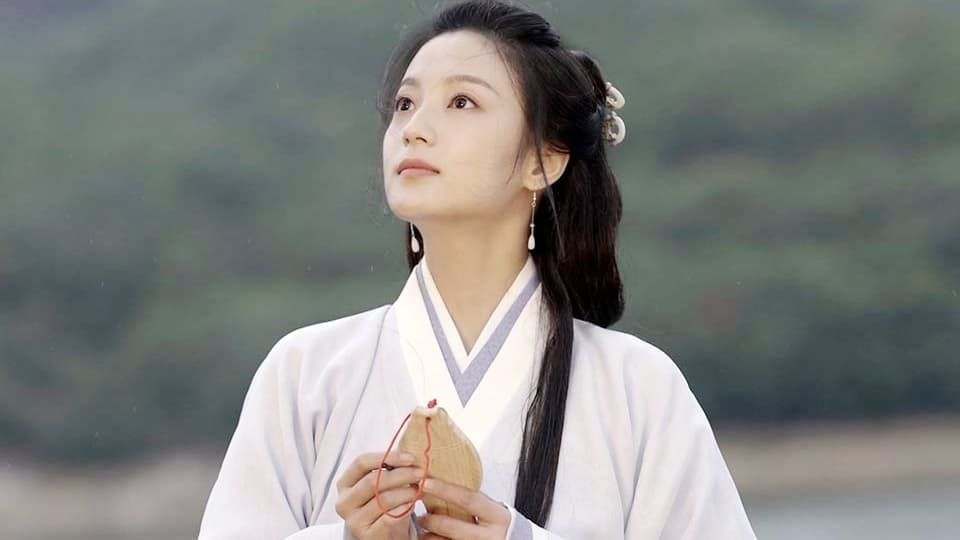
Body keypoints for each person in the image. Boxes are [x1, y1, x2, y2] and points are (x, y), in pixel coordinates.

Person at [198, 1, 757, 538]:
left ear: (544, 159)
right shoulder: (305, 376)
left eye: (462, 102)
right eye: (404, 104)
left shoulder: (637, 388)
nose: (414, 128)